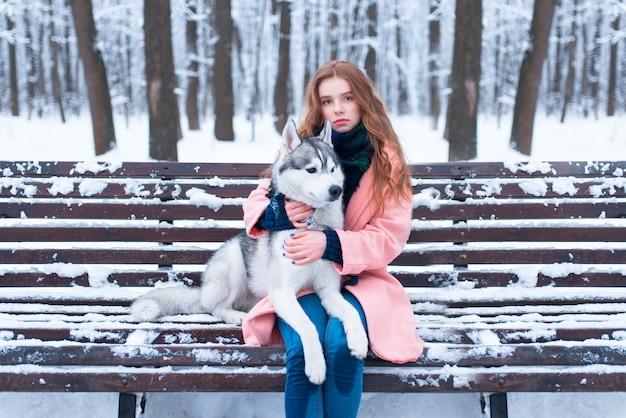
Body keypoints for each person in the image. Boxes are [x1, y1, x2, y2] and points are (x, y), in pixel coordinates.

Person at [241, 60, 424, 418]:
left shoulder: (387, 161)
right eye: (327, 101)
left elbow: (389, 236)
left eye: (347, 97)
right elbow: (260, 196)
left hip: (359, 281)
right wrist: (278, 213)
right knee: (303, 350)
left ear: (364, 101)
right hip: (303, 281)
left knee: (342, 346)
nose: (337, 109)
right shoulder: (303, 145)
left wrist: (331, 243)